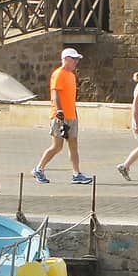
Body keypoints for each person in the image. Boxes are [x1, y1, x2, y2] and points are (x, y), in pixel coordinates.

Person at [33, 47, 92, 184]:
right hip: (60, 116)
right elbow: (56, 94)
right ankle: (39, 168)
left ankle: (76, 174)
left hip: (71, 116)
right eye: (74, 59)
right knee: (57, 146)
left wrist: (74, 115)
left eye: (77, 59)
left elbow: (70, 98)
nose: (76, 62)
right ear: (66, 59)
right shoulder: (58, 74)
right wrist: (59, 111)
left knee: (73, 145)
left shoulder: (71, 75)